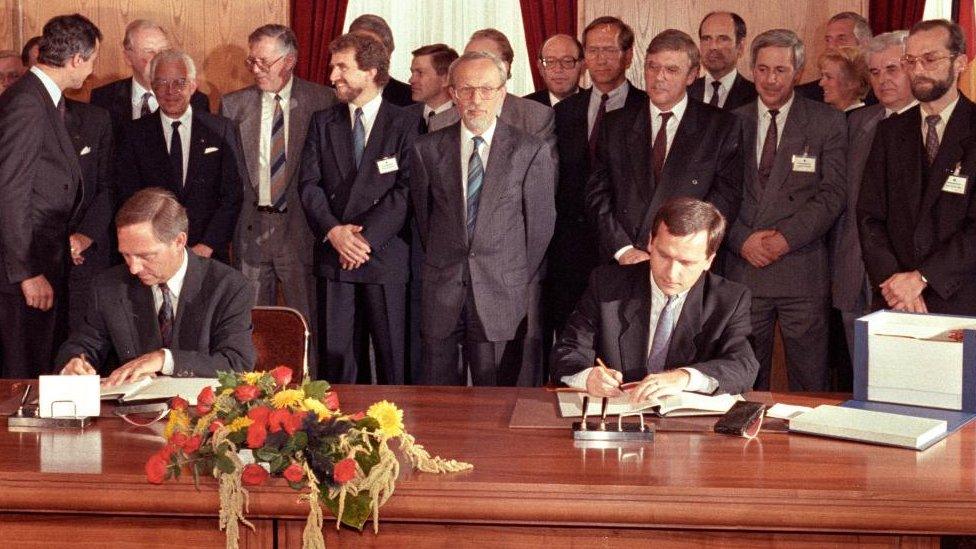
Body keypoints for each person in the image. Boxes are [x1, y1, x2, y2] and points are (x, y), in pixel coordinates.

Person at [411, 51, 556, 386]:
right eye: (466, 90)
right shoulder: (427, 149)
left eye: (486, 90)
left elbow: (540, 227)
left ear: (502, 93)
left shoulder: (529, 150)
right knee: (439, 399)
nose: (476, 100)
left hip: (501, 295)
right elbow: (425, 220)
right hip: (442, 292)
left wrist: (508, 271)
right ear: (452, 94)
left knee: (498, 399)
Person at [724, 29, 847, 392]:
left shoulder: (827, 122)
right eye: (763, 69)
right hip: (744, 269)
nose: (771, 79)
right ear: (752, 70)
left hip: (801, 269)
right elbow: (718, 194)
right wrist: (741, 239)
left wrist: (785, 240)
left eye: (781, 70)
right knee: (744, 381)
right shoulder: (731, 121)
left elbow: (832, 194)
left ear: (798, 71)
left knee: (811, 382)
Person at [299, 32, 417, 385]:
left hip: (384, 258)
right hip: (335, 258)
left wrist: (362, 242)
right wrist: (335, 233)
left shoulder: (407, 122)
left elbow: (406, 190)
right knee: (338, 366)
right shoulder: (323, 122)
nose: (332, 76)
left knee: (394, 361)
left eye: (341, 67)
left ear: (370, 71)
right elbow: (309, 185)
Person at [552, 197, 758, 399]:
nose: (671, 273)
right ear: (651, 242)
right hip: (617, 418)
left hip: (686, 426)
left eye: (686, 263)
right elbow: (568, 350)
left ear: (709, 260)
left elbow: (744, 366)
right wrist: (588, 377)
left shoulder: (730, 300)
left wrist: (684, 378)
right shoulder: (607, 285)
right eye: (664, 255)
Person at [220, 24, 336, 376]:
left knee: (307, 324)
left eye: (264, 62)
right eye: (251, 61)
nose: (255, 69)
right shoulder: (233, 104)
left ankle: (313, 398)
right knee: (251, 325)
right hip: (250, 229)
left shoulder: (323, 101)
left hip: (301, 229)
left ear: (290, 61)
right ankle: (252, 403)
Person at [57, 188, 255, 382]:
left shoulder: (229, 286)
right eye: (126, 255)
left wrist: (164, 359)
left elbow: (236, 364)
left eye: (145, 256)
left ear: (178, 241)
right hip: (130, 411)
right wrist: (74, 362)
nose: (134, 268)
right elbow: (84, 344)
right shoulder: (109, 286)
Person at [587, 29, 742, 267]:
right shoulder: (615, 123)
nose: (659, 77)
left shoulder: (720, 126)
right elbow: (598, 194)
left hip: (682, 263)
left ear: (692, 75)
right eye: (652, 66)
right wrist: (623, 249)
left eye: (671, 70)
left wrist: (675, 251)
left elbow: (724, 199)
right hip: (623, 261)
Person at [0, 13, 101, 378]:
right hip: (22, 275)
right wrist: (28, 273)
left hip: (45, 258)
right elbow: (9, 191)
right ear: (76, 59)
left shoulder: (40, 97)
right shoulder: (28, 103)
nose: (90, 72)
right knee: (24, 376)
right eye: (91, 61)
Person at [544, 16, 648, 362]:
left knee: (620, 344)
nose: (600, 59)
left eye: (609, 50)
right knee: (570, 343)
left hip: (625, 247)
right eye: (593, 50)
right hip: (568, 249)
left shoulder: (647, 109)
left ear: (628, 55)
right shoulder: (563, 111)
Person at [858, 19, 976, 315]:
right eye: (910, 61)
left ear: (960, 62)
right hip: (896, 300)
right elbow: (870, 217)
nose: (918, 70)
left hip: (961, 298)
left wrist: (923, 278)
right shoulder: (890, 132)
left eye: (930, 59)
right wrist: (895, 285)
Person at [831, 31, 915, 360]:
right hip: (854, 273)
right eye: (875, 72)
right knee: (861, 377)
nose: (883, 80)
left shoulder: (931, 126)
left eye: (892, 69)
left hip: (905, 279)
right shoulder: (857, 123)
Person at [115, 50, 243, 262]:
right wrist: (155, 246)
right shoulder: (133, 134)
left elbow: (232, 194)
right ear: (153, 87)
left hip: (208, 253)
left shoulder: (220, 129)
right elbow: (129, 196)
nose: (170, 90)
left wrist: (208, 245)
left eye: (179, 83)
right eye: (162, 82)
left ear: (193, 86)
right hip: (153, 253)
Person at [428, 28, 555, 145]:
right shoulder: (440, 123)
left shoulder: (536, 118)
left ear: (505, 68)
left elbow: (542, 168)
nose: (473, 67)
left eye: (483, 59)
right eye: (468, 59)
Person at [90, 20, 210, 137]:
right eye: (149, 51)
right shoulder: (103, 98)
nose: (158, 58)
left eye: (164, 51)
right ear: (127, 57)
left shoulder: (195, 100)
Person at [64, 96, 115, 327]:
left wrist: (83, 237)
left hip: (87, 256)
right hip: (30, 261)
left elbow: (110, 186)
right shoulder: (13, 119)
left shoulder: (95, 118)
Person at [796, 12, 873, 102]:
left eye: (841, 39)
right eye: (828, 40)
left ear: (865, 43)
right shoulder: (805, 96)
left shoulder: (882, 92)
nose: (831, 46)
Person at [688, 11, 757, 110]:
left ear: (740, 47)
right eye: (706, 39)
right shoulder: (684, 92)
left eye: (723, 39)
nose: (713, 46)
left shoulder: (755, 96)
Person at [348, 14, 413, 107]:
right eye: (357, 46)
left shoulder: (411, 99)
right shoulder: (329, 97)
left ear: (388, 53)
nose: (363, 54)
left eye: (371, 48)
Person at [406, 43, 458, 132]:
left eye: (420, 73)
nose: (411, 80)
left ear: (446, 79)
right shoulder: (402, 118)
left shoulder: (462, 120)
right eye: (412, 73)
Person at [525, 34, 585, 107]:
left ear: (582, 66)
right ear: (540, 68)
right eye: (550, 62)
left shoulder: (596, 107)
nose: (558, 69)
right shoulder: (523, 108)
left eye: (567, 61)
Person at [818, 46, 870, 112]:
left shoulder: (866, 119)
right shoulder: (825, 116)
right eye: (822, 76)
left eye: (829, 77)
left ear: (852, 82)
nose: (821, 83)